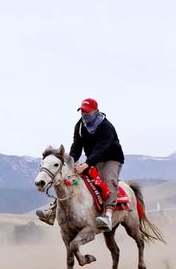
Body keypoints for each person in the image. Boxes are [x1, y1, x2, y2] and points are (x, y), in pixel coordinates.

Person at [36, 97, 124, 230]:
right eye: (82, 111)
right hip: (93, 158)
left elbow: (102, 148)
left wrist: (87, 164)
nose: (84, 114)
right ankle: (52, 211)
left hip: (111, 158)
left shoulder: (106, 127)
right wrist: (70, 162)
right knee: (70, 179)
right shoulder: (80, 126)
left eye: (87, 112)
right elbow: (77, 145)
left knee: (107, 180)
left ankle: (108, 216)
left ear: (96, 111)